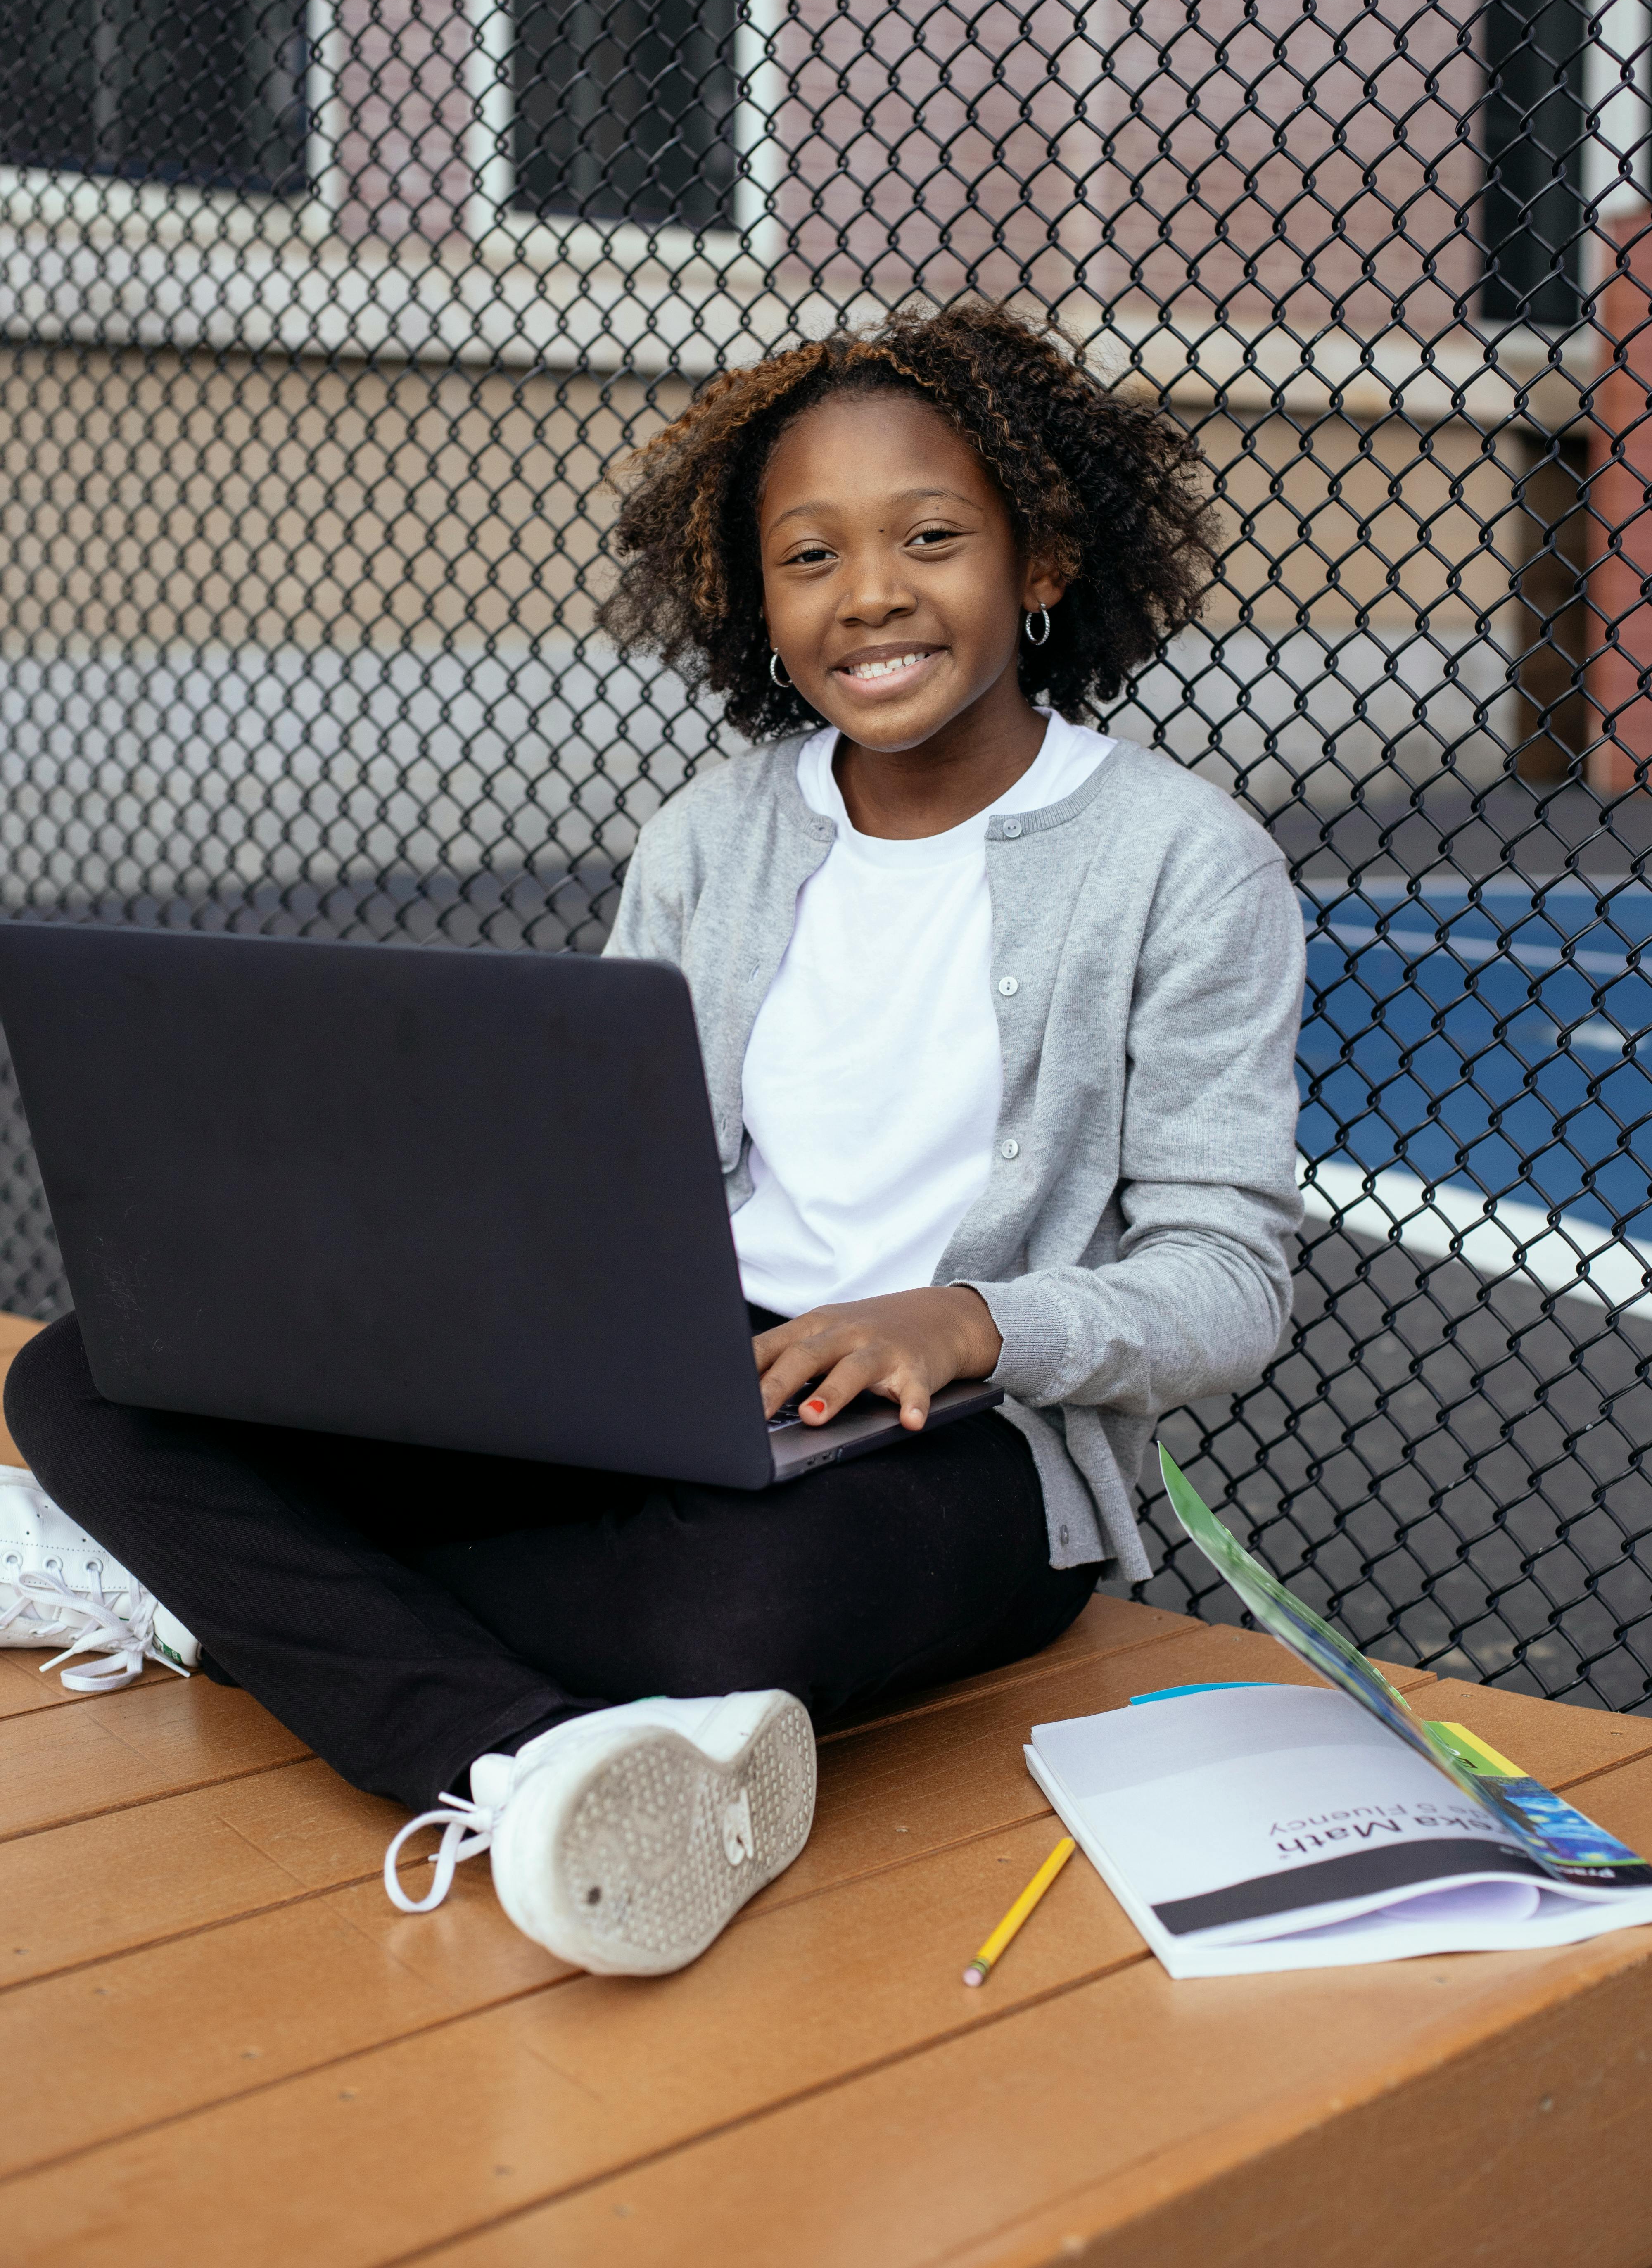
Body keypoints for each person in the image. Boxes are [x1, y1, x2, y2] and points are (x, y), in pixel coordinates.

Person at [0, 299, 1305, 1976]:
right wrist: (423, 1285)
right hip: (664, 1380)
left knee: (740, 1613)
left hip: (964, 1436)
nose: (872, 594)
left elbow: (1224, 1278)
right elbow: (612, 1178)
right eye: (810, 555)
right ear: (753, 599)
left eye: (931, 538)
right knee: (90, 1373)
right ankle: (525, 1762)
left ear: (1042, 562)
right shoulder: (713, 833)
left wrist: (969, 1318)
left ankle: (223, 1608)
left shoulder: (1181, 862)